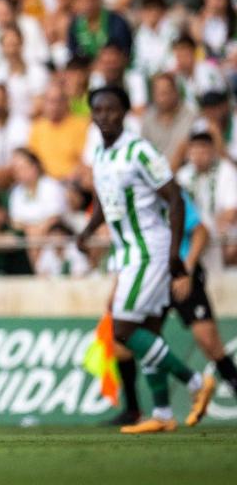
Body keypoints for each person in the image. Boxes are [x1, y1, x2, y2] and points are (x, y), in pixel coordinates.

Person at [76, 85, 215, 434]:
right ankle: (164, 413)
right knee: (148, 330)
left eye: (112, 109)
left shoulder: (139, 150)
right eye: (99, 110)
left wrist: (173, 256)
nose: (105, 116)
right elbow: (106, 202)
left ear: (125, 113)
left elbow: (176, 199)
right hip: (126, 254)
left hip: (149, 250)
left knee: (123, 329)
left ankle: (197, 382)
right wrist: (87, 230)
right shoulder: (102, 155)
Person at [104, 191, 237, 426]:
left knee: (208, 341)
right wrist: (117, 284)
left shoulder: (169, 194)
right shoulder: (127, 198)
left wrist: (187, 267)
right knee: (130, 340)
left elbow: (200, 231)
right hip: (148, 276)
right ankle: (142, 411)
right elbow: (125, 246)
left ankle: (196, 383)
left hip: (178, 274)